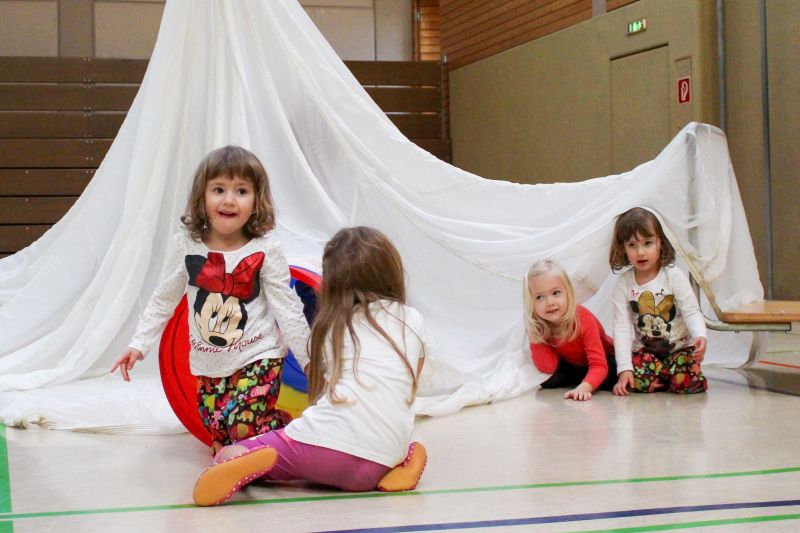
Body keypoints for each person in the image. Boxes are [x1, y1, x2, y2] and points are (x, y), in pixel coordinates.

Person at [192, 226, 429, 506]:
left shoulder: (333, 326)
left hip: (327, 453)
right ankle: (406, 458)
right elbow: (409, 382)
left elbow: (323, 387)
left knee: (233, 453)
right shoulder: (413, 320)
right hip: (382, 458)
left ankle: (250, 457)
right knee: (383, 441)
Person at [110, 145, 311, 454]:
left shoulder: (265, 249)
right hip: (208, 363)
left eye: (241, 191)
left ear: (256, 202)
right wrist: (139, 344)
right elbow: (163, 298)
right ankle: (262, 436)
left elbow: (288, 309)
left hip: (259, 355)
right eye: (219, 190)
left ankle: (278, 440)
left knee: (244, 423)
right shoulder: (187, 246)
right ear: (201, 198)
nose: (229, 200)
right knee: (218, 429)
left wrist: (309, 360)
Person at [609, 207, 707, 395]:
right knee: (634, 382)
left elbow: (691, 311)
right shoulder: (624, 283)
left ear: (660, 242)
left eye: (648, 243)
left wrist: (700, 335)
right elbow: (621, 327)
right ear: (623, 248)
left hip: (679, 350)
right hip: (647, 353)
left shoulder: (673, 276)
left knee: (687, 382)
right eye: (632, 245)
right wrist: (624, 369)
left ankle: (669, 377)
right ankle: (661, 378)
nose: (640, 252)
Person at [524, 259, 616, 401]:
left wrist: (585, 387)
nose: (550, 302)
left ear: (568, 293)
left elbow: (599, 364)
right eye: (540, 297)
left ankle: (587, 380)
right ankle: (583, 379)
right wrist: (535, 335)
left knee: (613, 372)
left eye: (556, 293)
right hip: (573, 365)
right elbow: (548, 367)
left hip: (603, 359)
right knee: (548, 380)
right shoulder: (542, 325)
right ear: (531, 303)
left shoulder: (584, 319)